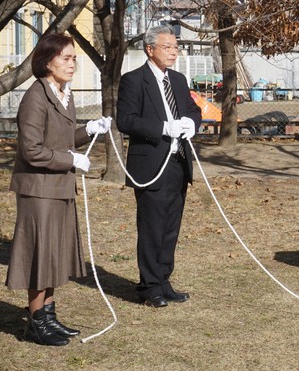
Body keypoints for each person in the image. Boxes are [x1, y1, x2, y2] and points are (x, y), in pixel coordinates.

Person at [5, 33, 111, 346]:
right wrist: (71, 159)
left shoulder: (64, 93)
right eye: (66, 58)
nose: (72, 64)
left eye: (74, 58)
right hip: (38, 188)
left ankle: (48, 315)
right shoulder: (36, 96)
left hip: (58, 186)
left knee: (52, 253)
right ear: (47, 61)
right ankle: (37, 321)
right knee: (39, 254)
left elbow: (60, 138)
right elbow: (32, 150)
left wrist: (88, 130)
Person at [116, 26, 201, 308]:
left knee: (170, 228)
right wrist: (164, 127)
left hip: (178, 163)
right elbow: (126, 120)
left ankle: (164, 281)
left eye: (176, 47)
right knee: (152, 227)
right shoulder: (134, 80)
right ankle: (149, 286)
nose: (174, 52)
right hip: (152, 164)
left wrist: (191, 123)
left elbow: (192, 109)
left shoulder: (177, 79)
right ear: (150, 49)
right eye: (167, 47)